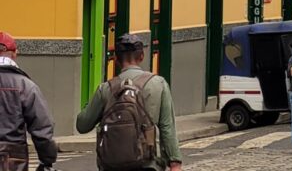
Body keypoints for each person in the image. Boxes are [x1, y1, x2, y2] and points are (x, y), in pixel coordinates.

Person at [77, 33, 181, 171]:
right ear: (142, 56)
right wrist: (175, 162)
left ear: (116, 59)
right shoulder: (158, 84)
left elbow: (82, 125)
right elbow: (167, 128)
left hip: (112, 165)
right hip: (148, 164)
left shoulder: (106, 88)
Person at [0, 31, 57, 171]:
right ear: (15, 53)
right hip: (12, 160)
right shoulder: (25, 85)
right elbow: (42, 126)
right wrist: (47, 160)